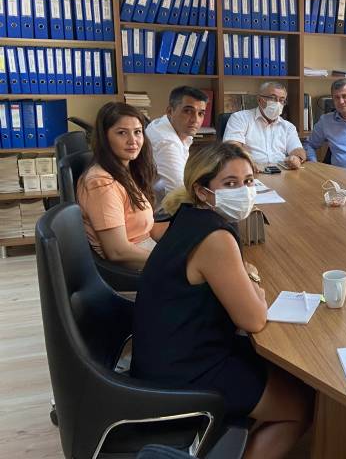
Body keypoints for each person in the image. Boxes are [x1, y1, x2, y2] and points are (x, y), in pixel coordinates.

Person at [131, 142, 313, 459]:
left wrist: (243, 274)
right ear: (202, 191)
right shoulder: (215, 238)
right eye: (230, 184)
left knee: (284, 373)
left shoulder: (188, 215)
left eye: (248, 181)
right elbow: (254, 319)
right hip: (185, 371)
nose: (243, 191)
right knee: (299, 407)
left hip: (162, 353)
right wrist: (253, 283)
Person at [77, 102, 167, 269]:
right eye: (122, 133)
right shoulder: (101, 183)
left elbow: (145, 229)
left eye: (137, 132)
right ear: (104, 138)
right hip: (133, 270)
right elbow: (118, 252)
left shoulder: (124, 171)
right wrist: (172, 263)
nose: (133, 141)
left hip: (148, 254)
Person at [223, 81, 306, 170]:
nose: (278, 103)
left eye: (281, 100)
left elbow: (298, 149)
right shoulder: (240, 118)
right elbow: (232, 147)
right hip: (250, 170)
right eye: (273, 98)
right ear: (259, 99)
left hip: (281, 172)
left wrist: (296, 158)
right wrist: (248, 161)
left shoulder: (288, 126)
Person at [145, 86, 208, 202]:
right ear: (170, 111)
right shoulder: (166, 143)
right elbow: (180, 193)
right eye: (188, 111)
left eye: (200, 113)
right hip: (162, 209)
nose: (195, 120)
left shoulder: (165, 125)